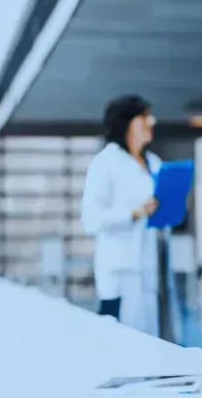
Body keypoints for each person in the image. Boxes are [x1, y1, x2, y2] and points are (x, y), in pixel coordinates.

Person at [80, 95, 161, 336]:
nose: (152, 121)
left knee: (152, 342)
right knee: (123, 340)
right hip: (119, 271)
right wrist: (132, 213)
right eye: (144, 117)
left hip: (148, 269)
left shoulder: (154, 162)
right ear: (126, 123)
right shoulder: (105, 162)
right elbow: (91, 220)